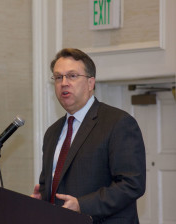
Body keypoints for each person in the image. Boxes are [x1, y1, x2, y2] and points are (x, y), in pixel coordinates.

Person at [31, 48, 146, 223]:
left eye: (72, 76)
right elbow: (49, 184)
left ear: (91, 83)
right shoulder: (52, 133)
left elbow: (132, 184)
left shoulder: (118, 123)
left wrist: (82, 205)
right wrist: (42, 201)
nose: (64, 83)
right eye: (58, 77)